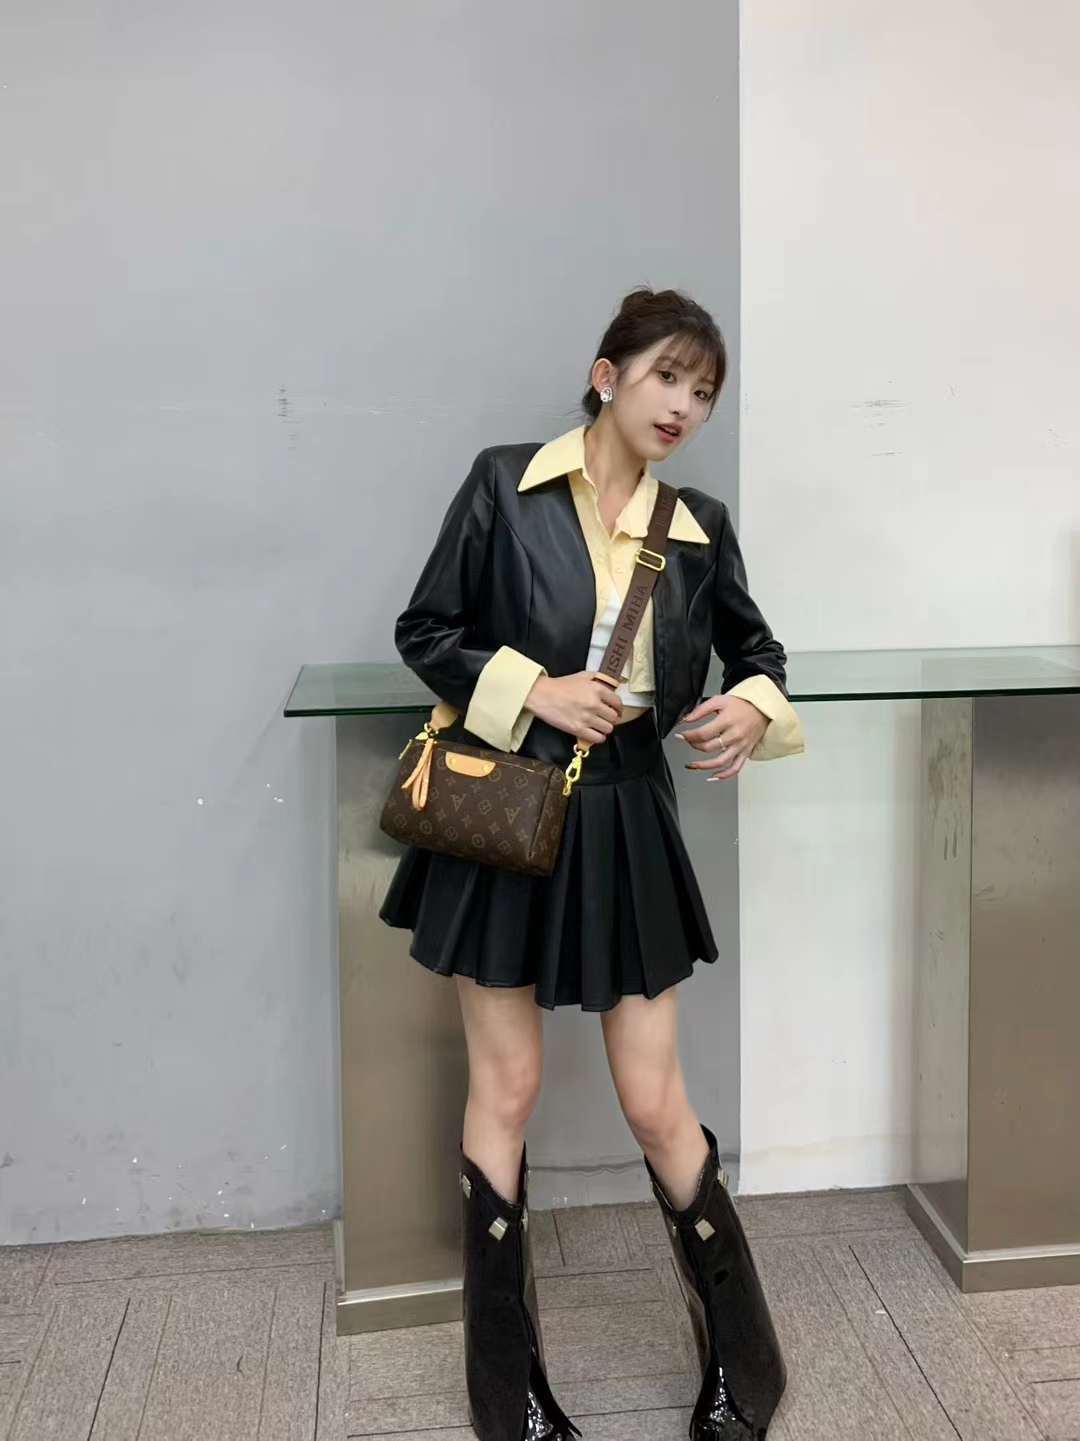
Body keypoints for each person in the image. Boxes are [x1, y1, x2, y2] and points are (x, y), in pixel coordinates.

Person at [379, 286, 806, 1440]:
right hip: (506, 808)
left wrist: (755, 705)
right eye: (668, 375)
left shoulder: (696, 523)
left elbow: (758, 650)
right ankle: (508, 1391)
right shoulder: (503, 486)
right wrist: (537, 690)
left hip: (625, 819)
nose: (684, 405)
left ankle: (747, 1365)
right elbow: (427, 631)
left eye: (704, 391)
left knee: (655, 1099)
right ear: (606, 374)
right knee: (507, 1087)